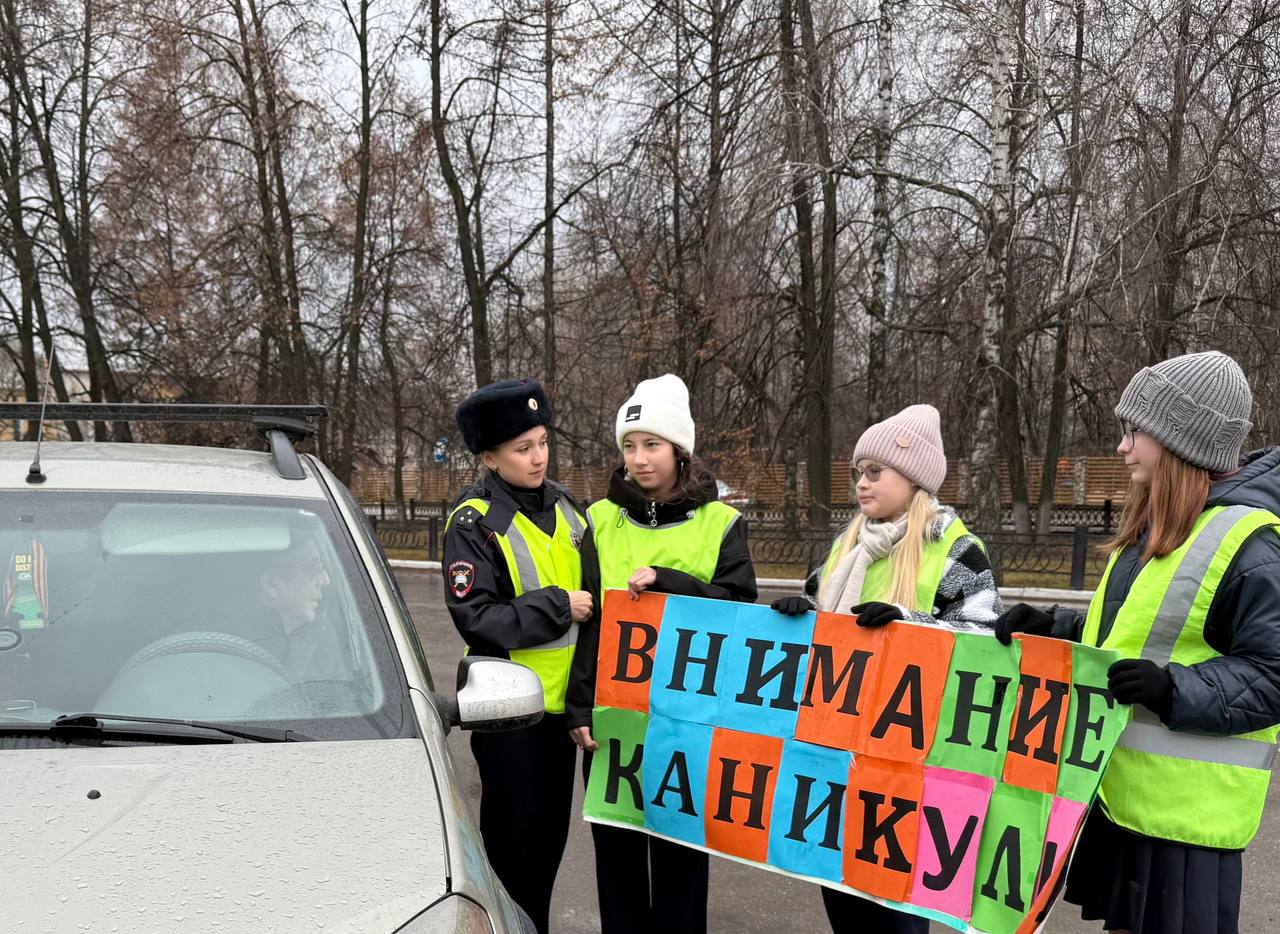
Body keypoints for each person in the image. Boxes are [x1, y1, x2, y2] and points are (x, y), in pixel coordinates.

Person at [994, 351, 1280, 934]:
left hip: (1188, 823)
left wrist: (1174, 689)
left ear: (1181, 439)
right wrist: (1053, 627)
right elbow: (1129, 638)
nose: (1122, 447)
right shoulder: (1161, 528)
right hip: (1127, 799)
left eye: (1135, 430)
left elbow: (1272, 674)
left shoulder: (1254, 546)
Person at [772, 403, 1001, 933]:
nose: (861, 484)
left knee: (896, 909)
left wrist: (908, 621)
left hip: (911, 762)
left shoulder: (957, 550)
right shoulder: (846, 544)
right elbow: (822, 621)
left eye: (875, 472)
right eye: (858, 473)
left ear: (913, 477)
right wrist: (799, 615)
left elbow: (985, 642)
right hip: (836, 754)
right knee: (843, 900)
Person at [565, 373, 757, 934]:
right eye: (629, 446)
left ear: (680, 450)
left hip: (688, 725)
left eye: (651, 445)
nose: (639, 459)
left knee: (680, 864)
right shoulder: (599, 520)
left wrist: (673, 583)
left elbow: (739, 613)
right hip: (613, 722)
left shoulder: (721, 523)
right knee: (617, 866)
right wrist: (579, 707)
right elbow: (588, 625)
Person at [441, 378, 593, 934]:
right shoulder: (474, 521)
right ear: (490, 457)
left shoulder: (572, 512)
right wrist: (557, 606)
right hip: (506, 714)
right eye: (522, 448)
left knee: (549, 849)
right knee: (510, 856)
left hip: (560, 717)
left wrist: (581, 703)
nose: (538, 457)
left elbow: (597, 613)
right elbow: (476, 618)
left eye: (543, 442)